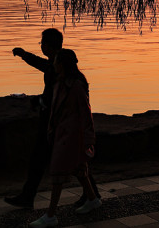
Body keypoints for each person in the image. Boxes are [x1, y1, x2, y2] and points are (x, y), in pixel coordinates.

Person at [5, 29, 99, 209]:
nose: (41, 46)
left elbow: (56, 96)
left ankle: (81, 199)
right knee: (49, 159)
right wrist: (25, 55)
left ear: (48, 45)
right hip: (54, 122)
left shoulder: (62, 69)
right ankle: (30, 196)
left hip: (57, 124)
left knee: (70, 161)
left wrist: (39, 101)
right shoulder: (58, 64)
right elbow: (43, 66)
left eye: (42, 43)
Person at [30, 49, 101, 227]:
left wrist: (88, 139)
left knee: (58, 173)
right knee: (79, 169)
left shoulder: (76, 86)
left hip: (71, 137)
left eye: (56, 62)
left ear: (62, 64)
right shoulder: (59, 83)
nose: (53, 65)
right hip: (62, 134)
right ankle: (92, 199)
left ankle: (51, 215)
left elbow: (86, 113)